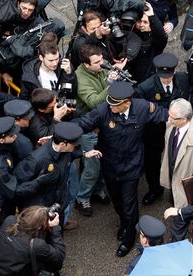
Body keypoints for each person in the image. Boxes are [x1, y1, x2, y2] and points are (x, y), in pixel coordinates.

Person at [73, 81, 168, 257]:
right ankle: (125, 223)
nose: (111, 107)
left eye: (115, 104)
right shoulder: (103, 110)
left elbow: (166, 115)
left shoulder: (143, 107)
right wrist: (60, 131)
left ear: (127, 102)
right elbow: (83, 123)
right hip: (110, 164)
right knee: (116, 200)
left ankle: (129, 237)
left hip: (132, 165)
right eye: (110, 102)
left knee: (129, 203)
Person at [0, 117, 59, 246]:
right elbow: (10, 189)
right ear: (1, 139)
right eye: (12, 135)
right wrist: (39, 181)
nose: (16, 136)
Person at [136, 53, 189, 206]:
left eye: (169, 75)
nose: (166, 79)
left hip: (178, 130)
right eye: (162, 75)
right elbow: (143, 111)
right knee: (152, 163)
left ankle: (176, 191)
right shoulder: (145, 87)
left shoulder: (183, 79)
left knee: (178, 161)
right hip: (155, 131)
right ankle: (155, 189)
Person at [74, 44, 115, 217]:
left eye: (102, 59)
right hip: (88, 127)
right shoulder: (80, 79)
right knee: (91, 167)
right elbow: (94, 102)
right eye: (97, 62)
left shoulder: (100, 67)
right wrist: (111, 84)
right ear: (86, 64)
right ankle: (81, 197)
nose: (103, 64)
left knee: (101, 162)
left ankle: (98, 189)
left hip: (102, 123)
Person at [0, 206, 65, 275]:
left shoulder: (9, 221)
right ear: (39, 227)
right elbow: (58, 259)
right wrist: (55, 228)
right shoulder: (36, 245)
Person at [160, 99, 193, 209]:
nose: (169, 119)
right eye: (169, 115)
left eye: (172, 118)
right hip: (174, 179)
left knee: (184, 214)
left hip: (186, 187)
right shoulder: (172, 125)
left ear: (184, 119)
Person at [129, 2, 168, 83]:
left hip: (149, 79)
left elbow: (161, 36)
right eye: (140, 21)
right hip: (133, 79)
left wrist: (151, 16)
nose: (141, 25)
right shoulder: (131, 36)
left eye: (145, 22)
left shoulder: (156, 40)